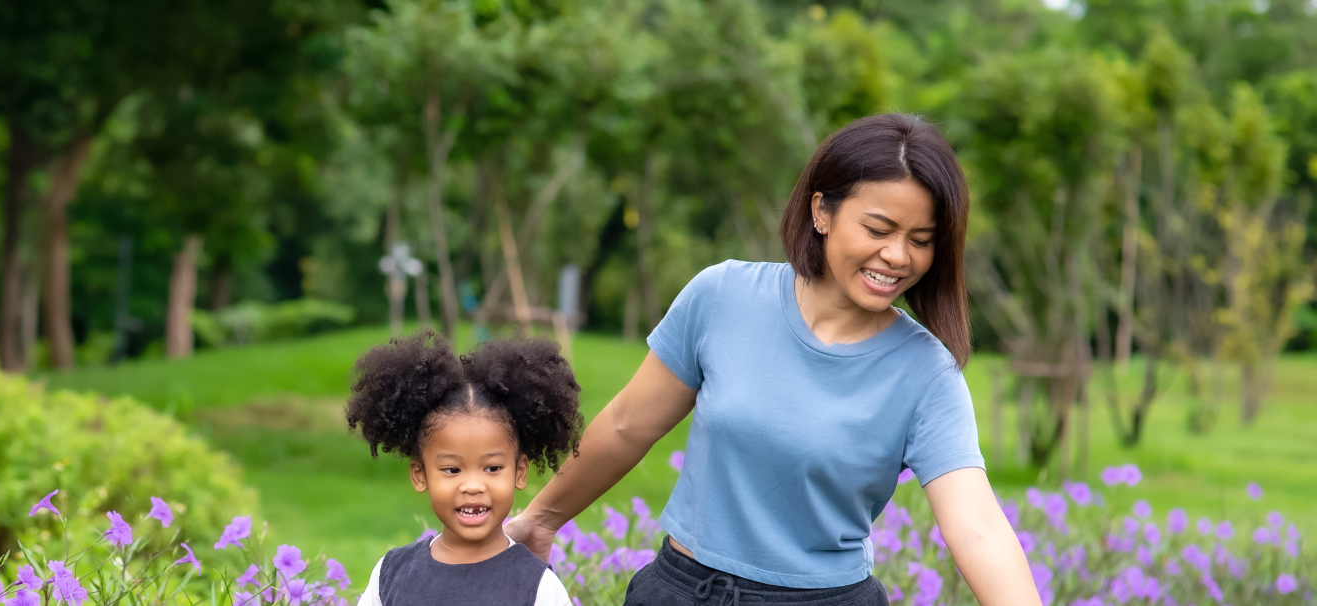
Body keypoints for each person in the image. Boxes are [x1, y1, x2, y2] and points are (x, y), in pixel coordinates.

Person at [503, 113, 1040, 606]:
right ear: (821, 211)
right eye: (878, 230)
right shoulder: (723, 296)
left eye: (920, 241)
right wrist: (540, 520)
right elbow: (626, 426)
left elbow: (977, 527)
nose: (898, 256)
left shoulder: (927, 373)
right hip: (683, 590)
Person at [346, 332, 584, 606]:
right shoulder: (391, 574)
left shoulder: (539, 587)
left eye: (492, 468)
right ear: (420, 475)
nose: (473, 486)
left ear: (520, 472)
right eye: (452, 470)